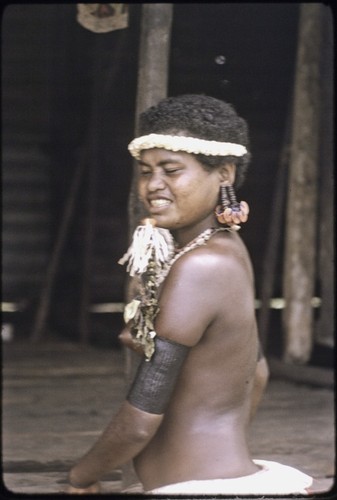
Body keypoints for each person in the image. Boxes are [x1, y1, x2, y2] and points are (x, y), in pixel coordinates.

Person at [67, 94, 313, 495]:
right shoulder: (223, 248)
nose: (152, 186)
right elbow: (260, 372)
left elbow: (139, 422)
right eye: (145, 171)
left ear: (225, 174)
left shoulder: (200, 267)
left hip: (196, 486)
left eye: (171, 170)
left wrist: (79, 478)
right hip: (214, 477)